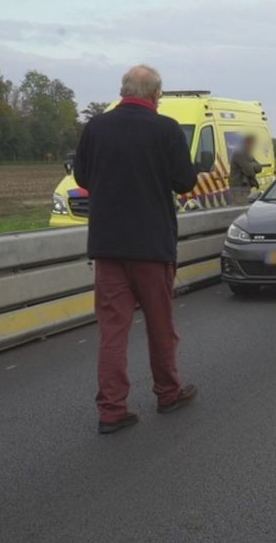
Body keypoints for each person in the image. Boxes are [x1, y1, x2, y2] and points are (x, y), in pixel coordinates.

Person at [73, 64, 199, 435]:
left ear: (123, 90)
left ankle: (112, 410)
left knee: (113, 331)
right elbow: (185, 182)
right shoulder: (165, 129)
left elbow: (82, 177)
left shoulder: (96, 127)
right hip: (152, 246)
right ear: (156, 95)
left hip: (108, 247)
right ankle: (168, 393)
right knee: (161, 327)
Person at [229, 135, 262, 205]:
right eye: (251, 144)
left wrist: (252, 166)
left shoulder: (248, 154)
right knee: (241, 210)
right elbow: (249, 172)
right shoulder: (239, 154)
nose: (253, 146)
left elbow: (259, 167)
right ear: (246, 143)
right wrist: (252, 166)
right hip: (238, 188)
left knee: (246, 208)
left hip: (245, 188)